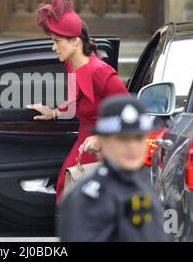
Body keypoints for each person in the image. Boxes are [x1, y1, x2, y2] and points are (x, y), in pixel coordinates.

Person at [27, 0, 128, 201]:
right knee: (67, 189)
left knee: (78, 198)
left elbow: (129, 113)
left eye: (57, 41)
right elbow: (76, 101)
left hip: (107, 146)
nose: (53, 47)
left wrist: (102, 137)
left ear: (75, 42)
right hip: (84, 141)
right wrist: (54, 112)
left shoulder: (101, 72)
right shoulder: (71, 65)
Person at [59, 95, 170, 242]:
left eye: (138, 138)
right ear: (103, 142)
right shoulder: (88, 196)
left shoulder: (144, 185)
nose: (131, 146)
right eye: (122, 139)